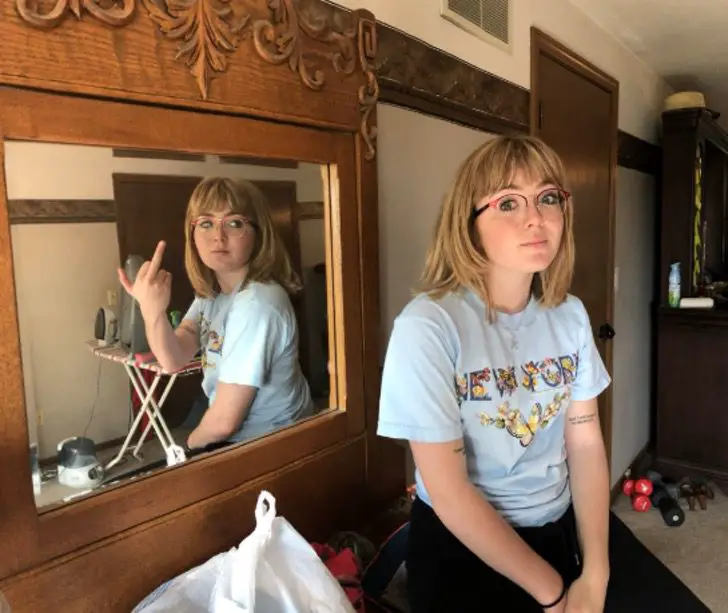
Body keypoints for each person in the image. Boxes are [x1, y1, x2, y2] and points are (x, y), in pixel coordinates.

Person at [377, 135, 612, 612]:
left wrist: (596, 571)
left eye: (548, 197)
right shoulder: (428, 326)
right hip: (460, 548)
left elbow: (585, 441)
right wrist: (551, 593)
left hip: (556, 528)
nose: (536, 217)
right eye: (508, 202)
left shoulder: (570, 315)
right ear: (469, 224)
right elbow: (450, 492)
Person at [119, 177, 314, 451]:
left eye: (234, 223)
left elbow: (224, 422)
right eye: (206, 223)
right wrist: (152, 312)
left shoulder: (257, 302)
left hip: (274, 443)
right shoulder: (212, 293)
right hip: (243, 437)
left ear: (259, 233)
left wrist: (188, 449)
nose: (218, 236)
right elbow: (173, 358)